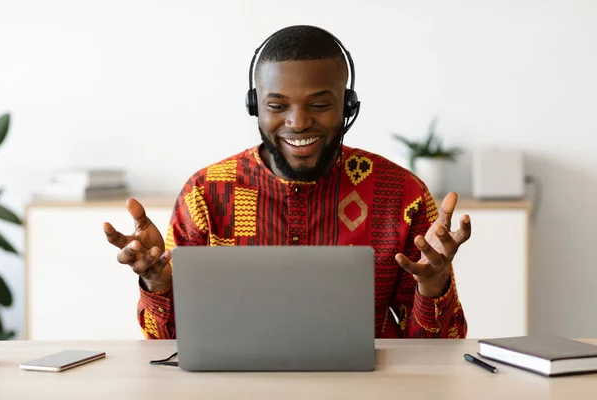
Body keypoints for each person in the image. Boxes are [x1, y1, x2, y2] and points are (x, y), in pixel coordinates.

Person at [103, 25, 471, 340]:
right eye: (277, 106)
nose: (297, 122)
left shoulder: (402, 195)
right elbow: (168, 344)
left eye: (319, 104)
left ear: (348, 105)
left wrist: (433, 285)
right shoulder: (206, 194)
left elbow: (437, 351)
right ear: (255, 106)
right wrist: (159, 285)